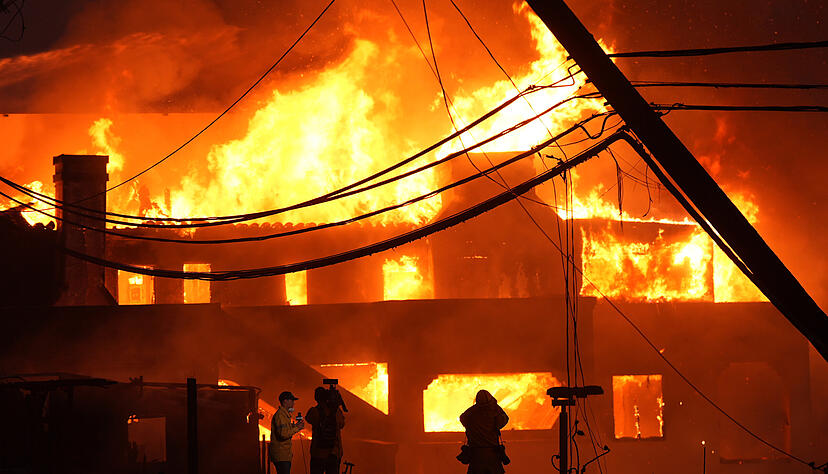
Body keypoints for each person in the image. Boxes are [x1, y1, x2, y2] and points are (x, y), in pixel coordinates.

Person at [459, 390, 509, 474]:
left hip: (476, 455)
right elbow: (504, 420)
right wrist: (495, 406)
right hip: (492, 455)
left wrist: (471, 427)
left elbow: (463, 418)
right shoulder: (495, 411)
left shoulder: (472, 412)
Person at [305, 386, 346, 474]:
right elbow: (342, 424)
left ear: (316, 398)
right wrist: (334, 406)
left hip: (318, 454)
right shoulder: (336, 412)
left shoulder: (315, 411)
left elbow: (308, 418)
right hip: (334, 453)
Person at [270, 391, 304, 474]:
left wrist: (294, 426)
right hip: (281, 456)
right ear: (285, 401)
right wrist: (296, 428)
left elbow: (284, 430)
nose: (293, 403)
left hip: (284, 455)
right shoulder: (280, 415)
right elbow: (283, 434)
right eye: (292, 400)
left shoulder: (284, 415)